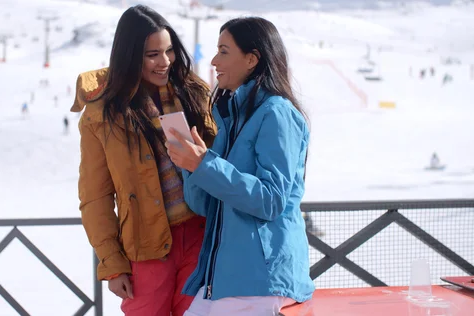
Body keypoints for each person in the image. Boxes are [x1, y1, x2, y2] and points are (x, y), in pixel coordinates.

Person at [70, 5, 216, 316]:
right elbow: (95, 196)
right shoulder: (101, 114)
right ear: (130, 56)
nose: (165, 62)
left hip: (200, 234)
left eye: (169, 51)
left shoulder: (192, 93)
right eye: (152, 55)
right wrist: (112, 263)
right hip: (147, 245)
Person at [166, 17, 315, 315]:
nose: (213, 60)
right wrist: (193, 165)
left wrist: (205, 164)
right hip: (224, 281)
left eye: (223, 51)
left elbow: (271, 200)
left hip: (262, 282)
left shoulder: (277, 113)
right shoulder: (231, 118)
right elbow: (205, 206)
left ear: (251, 59)